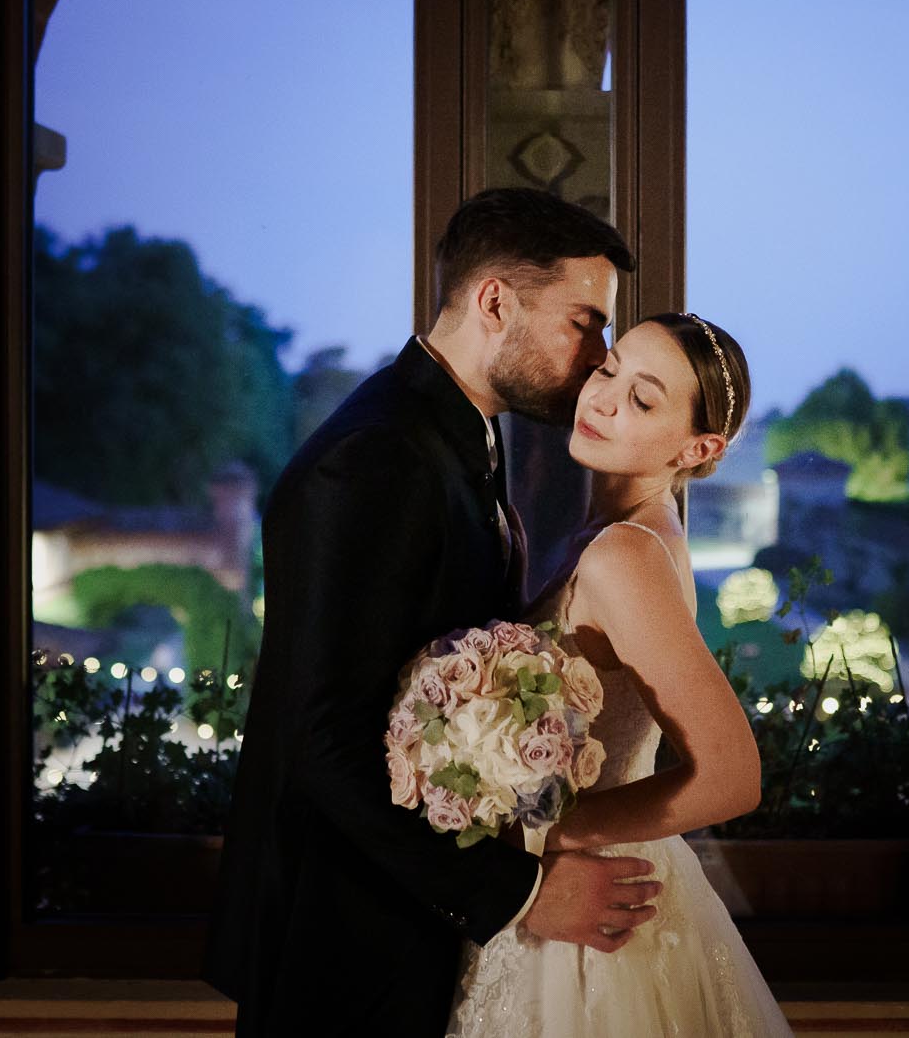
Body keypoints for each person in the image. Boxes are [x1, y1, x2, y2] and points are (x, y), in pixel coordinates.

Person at [205, 188, 667, 1037]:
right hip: (343, 946)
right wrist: (520, 890)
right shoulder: (374, 456)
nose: (598, 355)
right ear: (496, 301)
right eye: (583, 321)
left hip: (407, 925)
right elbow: (321, 742)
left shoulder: (460, 437)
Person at [446, 312, 796, 1038]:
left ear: (699, 447)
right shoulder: (613, 536)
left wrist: (559, 833)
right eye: (609, 371)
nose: (603, 399)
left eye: (643, 399)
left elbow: (732, 773)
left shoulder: (626, 556)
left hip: (591, 912)